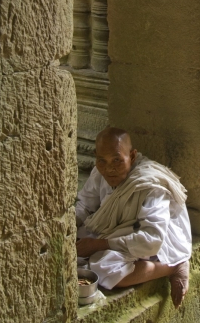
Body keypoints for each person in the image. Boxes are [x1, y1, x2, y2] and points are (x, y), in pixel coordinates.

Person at [75, 126, 192, 308]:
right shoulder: (100, 172)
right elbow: (84, 205)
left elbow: (152, 239)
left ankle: (174, 266)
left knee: (107, 270)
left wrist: (100, 244)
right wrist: (69, 229)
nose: (109, 169)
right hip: (118, 229)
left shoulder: (149, 184)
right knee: (78, 256)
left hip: (157, 238)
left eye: (117, 160)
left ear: (132, 156)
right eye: (102, 161)